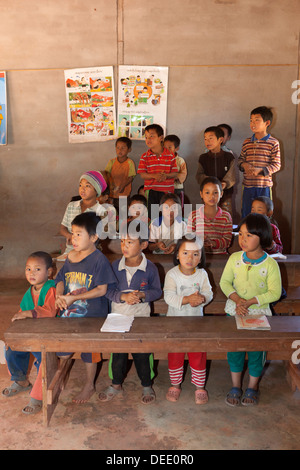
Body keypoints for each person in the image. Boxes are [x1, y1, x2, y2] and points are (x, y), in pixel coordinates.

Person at [220, 213, 282, 406]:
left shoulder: (270, 264)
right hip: (234, 311)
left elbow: (275, 293)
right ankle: (236, 386)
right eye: (241, 234)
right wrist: (238, 300)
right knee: (235, 350)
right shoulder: (234, 258)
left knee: (256, 351)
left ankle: (252, 387)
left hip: (259, 314)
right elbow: (225, 282)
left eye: (249, 235)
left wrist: (252, 301)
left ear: (262, 237)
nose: (243, 240)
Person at [55, 212, 116, 404]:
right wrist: (59, 295)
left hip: (92, 314)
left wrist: (76, 297)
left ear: (94, 237)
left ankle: (89, 384)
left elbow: (101, 289)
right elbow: (60, 280)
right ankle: (61, 375)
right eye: (72, 233)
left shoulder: (99, 260)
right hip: (69, 312)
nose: (73, 238)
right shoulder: (70, 256)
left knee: (89, 351)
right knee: (63, 347)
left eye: (79, 234)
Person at [100, 224, 162, 404]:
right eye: (122, 241)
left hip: (141, 317)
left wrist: (142, 295)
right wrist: (122, 296)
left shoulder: (150, 268)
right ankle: (116, 384)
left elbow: (157, 292)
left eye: (130, 242)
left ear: (143, 245)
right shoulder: (114, 266)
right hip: (118, 316)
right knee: (118, 353)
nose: (124, 246)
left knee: (142, 353)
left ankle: (146, 384)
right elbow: (108, 291)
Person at [2, 251, 57, 415]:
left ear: (49, 272)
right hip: (33, 332)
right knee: (12, 348)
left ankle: (37, 397)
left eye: (37, 269)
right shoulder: (30, 291)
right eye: (28, 269)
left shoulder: (51, 288)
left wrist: (28, 313)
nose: (31, 273)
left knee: (43, 361)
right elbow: (22, 311)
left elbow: (50, 311)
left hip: (49, 334)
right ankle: (21, 381)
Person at [163, 236, 213, 404]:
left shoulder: (202, 274)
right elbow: (169, 297)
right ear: (177, 254)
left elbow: (208, 292)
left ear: (201, 257)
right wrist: (187, 299)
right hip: (175, 323)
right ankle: (175, 385)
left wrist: (202, 299)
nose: (190, 258)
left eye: (195, 254)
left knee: (197, 354)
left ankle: (200, 387)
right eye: (185, 253)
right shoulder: (172, 274)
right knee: (176, 354)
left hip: (196, 323)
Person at [238, 106, 281, 218]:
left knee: (264, 216)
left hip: (264, 187)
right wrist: (244, 165)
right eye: (251, 120)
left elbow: (277, 165)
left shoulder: (273, 143)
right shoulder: (247, 142)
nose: (253, 123)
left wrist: (261, 171)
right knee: (247, 214)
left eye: (257, 120)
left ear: (267, 123)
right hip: (248, 186)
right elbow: (240, 160)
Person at [59, 171, 108, 255]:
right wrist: (70, 236)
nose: (82, 189)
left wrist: (82, 239)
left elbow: (103, 236)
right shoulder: (71, 206)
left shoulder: (102, 211)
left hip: (90, 252)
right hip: (71, 251)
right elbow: (62, 228)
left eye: (87, 186)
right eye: (80, 185)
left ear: (97, 191)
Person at [137, 124, 178, 215]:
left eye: (151, 136)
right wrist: (154, 176)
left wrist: (165, 176)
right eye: (146, 137)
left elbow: (175, 173)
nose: (148, 139)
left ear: (161, 138)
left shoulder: (170, 155)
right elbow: (142, 174)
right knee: (153, 216)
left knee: (166, 215)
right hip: (151, 191)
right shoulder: (145, 156)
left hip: (167, 192)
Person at [187, 176, 233, 254]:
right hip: (199, 256)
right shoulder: (194, 216)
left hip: (220, 258)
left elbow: (227, 241)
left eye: (215, 192)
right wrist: (200, 241)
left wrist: (213, 243)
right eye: (207, 192)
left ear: (221, 194)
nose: (211, 196)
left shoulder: (226, 216)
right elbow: (189, 238)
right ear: (201, 194)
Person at [196, 126, 235, 215]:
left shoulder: (229, 157)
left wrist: (224, 183)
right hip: (208, 194)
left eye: (210, 139)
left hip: (225, 194)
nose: (207, 142)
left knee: (225, 216)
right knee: (209, 216)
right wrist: (210, 182)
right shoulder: (203, 158)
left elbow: (231, 175)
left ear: (220, 140)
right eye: (205, 139)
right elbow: (199, 175)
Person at [104, 137, 136, 211]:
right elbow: (106, 175)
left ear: (129, 150)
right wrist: (111, 185)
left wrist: (122, 186)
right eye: (118, 148)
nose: (120, 150)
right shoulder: (112, 162)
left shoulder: (130, 162)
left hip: (124, 194)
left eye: (123, 148)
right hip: (111, 194)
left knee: (123, 214)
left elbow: (130, 177)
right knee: (111, 213)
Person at [164, 134, 187, 207]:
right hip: (164, 188)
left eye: (170, 147)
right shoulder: (161, 160)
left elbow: (183, 174)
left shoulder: (180, 160)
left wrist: (171, 177)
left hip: (177, 188)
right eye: (165, 148)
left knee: (178, 206)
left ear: (176, 148)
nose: (167, 150)